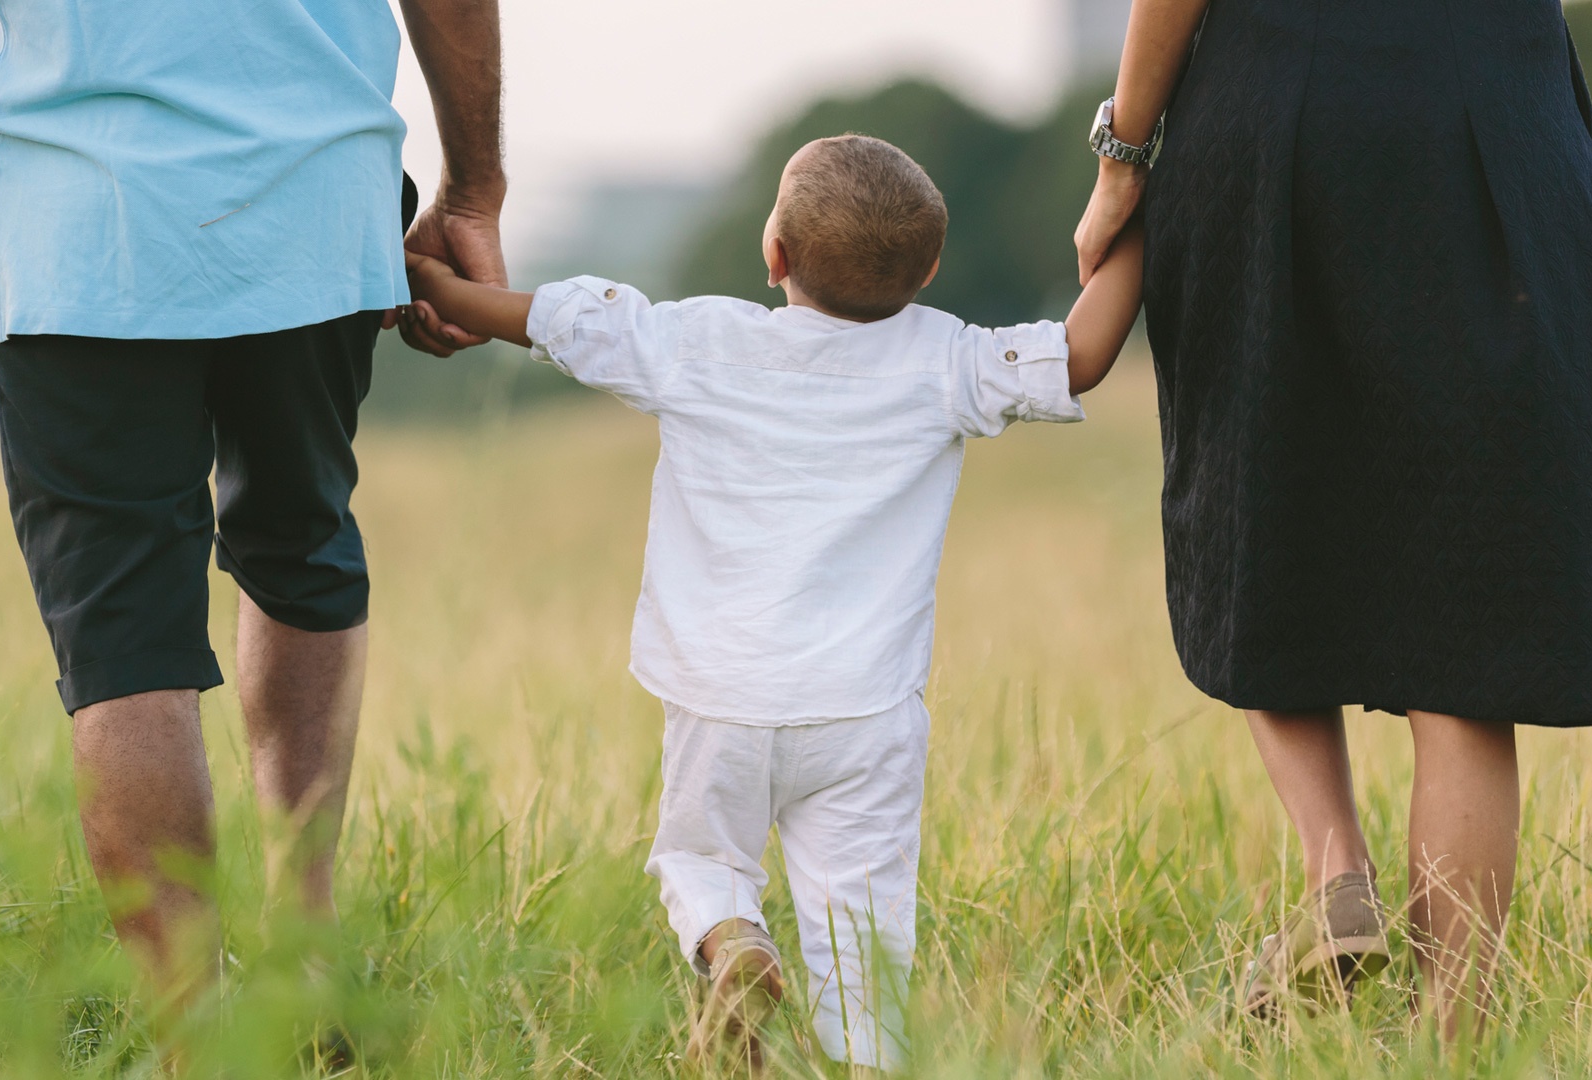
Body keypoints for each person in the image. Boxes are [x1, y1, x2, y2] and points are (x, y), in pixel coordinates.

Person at [1073, 0, 1592, 1037]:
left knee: (1262, 511)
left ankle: (1338, 870)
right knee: (1464, 624)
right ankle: (1456, 1037)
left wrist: (1123, 153)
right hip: (1492, 107)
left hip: (1274, 106)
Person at [404, 134, 1147, 1071]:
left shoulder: (701, 341)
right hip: (864, 710)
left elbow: (552, 321)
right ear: (927, 270)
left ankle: (733, 943)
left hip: (720, 696)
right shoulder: (945, 358)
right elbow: (1080, 355)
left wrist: (425, 277)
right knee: (863, 921)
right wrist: (1139, 218)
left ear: (775, 254)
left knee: (700, 861)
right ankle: (865, 1057)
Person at [0, 0, 509, 1033]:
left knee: (124, 635)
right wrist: (473, 187)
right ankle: (307, 961)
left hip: (83, 211)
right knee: (299, 544)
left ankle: (194, 1040)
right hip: (316, 191)